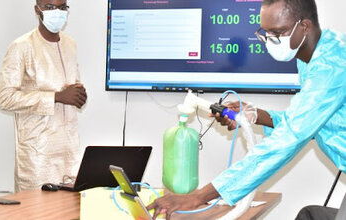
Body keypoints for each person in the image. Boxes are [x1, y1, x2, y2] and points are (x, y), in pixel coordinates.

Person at [147, 0, 346, 219]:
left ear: (304, 27)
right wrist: (255, 115)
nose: (270, 42)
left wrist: (198, 196)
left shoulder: (332, 66)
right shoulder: (313, 57)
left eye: (278, 33)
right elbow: (308, 120)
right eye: (266, 33)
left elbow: (289, 137)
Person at [0, 0, 87, 192]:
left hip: (69, 154)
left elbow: (71, 88)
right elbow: (5, 98)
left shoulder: (70, 44)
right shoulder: (21, 46)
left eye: (62, 7)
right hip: (37, 157)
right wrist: (56, 97)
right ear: (37, 10)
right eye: (49, 7)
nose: (57, 12)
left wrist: (79, 95)